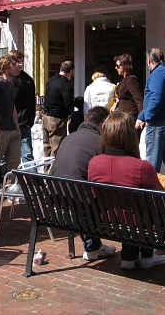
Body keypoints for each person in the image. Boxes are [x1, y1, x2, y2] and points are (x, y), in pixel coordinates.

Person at [88, 111, 165, 270]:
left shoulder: (94, 163)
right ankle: (146, 256)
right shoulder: (142, 167)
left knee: (127, 210)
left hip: (108, 220)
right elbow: (158, 199)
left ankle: (129, 257)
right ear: (130, 135)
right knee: (141, 212)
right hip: (140, 223)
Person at [49, 106, 116, 261]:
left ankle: (93, 245)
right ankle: (93, 247)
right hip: (81, 208)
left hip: (55, 205)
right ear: (103, 125)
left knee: (84, 192)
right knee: (102, 195)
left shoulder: (69, 137)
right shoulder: (100, 142)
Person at [136, 48, 165, 173]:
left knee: (152, 166)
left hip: (158, 125)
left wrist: (147, 117)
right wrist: (142, 115)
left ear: (149, 60)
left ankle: (151, 187)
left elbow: (156, 99)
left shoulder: (157, 74)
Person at [0, 55, 21, 172]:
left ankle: (11, 183)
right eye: (13, 64)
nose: (17, 67)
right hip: (1, 131)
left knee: (14, 164)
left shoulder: (12, 85)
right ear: (6, 67)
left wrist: (17, 127)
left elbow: (13, 107)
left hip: (13, 131)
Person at [6, 50, 36, 165]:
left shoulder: (28, 80)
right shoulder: (6, 80)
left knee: (27, 155)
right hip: (8, 125)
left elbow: (31, 102)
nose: (20, 64)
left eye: (21, 61)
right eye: (17, 62)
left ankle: (31, 177)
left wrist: (30, 120)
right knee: (7, 156)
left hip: (24, 123)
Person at [42, 61, 74, 158]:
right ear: (70, 71)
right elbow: (68, 103)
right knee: (57, 149)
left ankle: (46, 167)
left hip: (45, 116)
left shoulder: (50, 80)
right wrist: (71, 112)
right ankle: (54, 168)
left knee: (46, 147)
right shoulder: (66, 84)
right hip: (57, 119)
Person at [114, 54, 143, 122]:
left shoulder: (131, 80)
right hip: (123, 116)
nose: (116, 68)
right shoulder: (122, 80)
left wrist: (141, 118)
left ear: (125, 66)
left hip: (130, 116)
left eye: (118, 66)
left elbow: (138, 99)